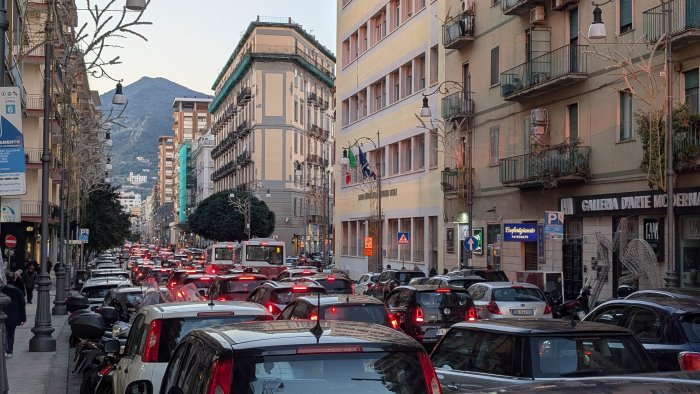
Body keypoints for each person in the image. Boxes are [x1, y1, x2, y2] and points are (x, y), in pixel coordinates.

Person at [3, 271, 26, 358]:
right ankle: (10, 351)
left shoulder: (2, 290)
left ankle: (5, 350)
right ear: (15, 279)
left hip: (3, 315)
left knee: (4, 333)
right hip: (14, 316)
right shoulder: (18, 292)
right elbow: (22, 306)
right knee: (11, 334)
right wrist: (23, 318)